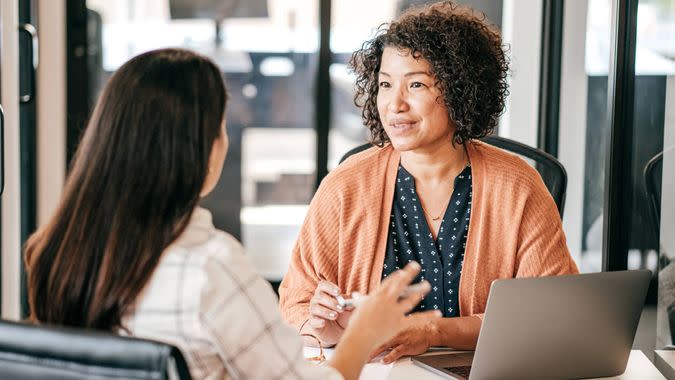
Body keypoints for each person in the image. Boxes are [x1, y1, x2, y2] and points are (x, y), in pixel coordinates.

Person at [24, 48, 440, 380]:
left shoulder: (56, 252)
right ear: (199, 149)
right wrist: (365, 331)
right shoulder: (211, 267)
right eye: (221, 126)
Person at [279, 0, 579, 364]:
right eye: (385, 84)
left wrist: (435, 332)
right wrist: (329, 330)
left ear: (458, 89)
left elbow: (548, 314)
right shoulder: (345, 185)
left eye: (416, 84)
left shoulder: (518, 186)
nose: (394, 104)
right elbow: (296, 303)